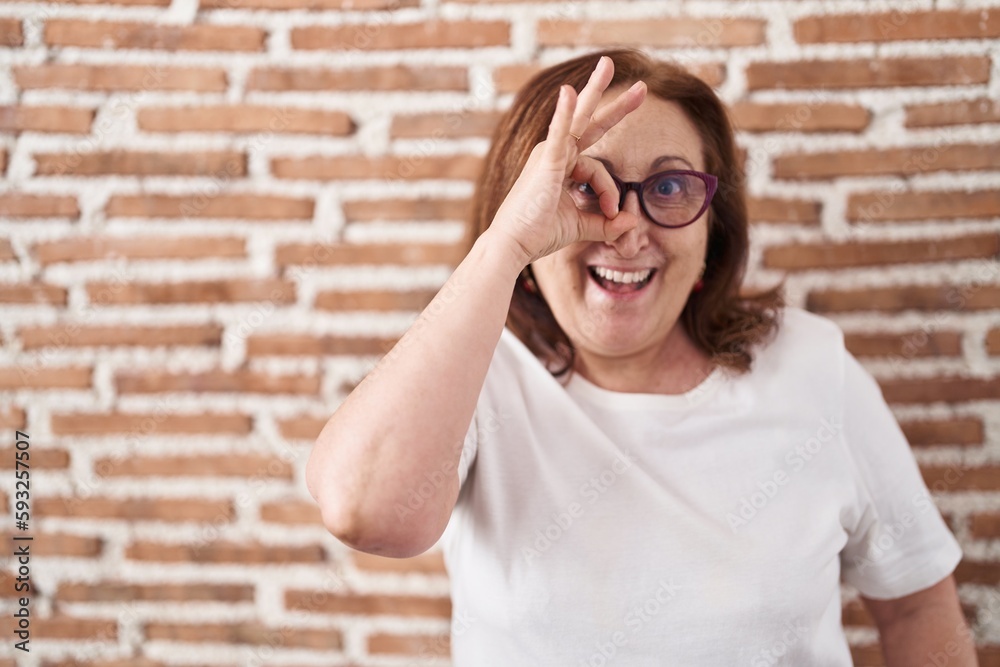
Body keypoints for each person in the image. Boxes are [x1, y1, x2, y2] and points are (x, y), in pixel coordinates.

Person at [306, 49, 976, 665]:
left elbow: (919, 604)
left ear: (713, 232)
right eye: (580, 185)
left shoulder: (811, 367)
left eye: (669, 188)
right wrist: (506, 246)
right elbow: (364, 510)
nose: (625, 227)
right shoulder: (478, 376)